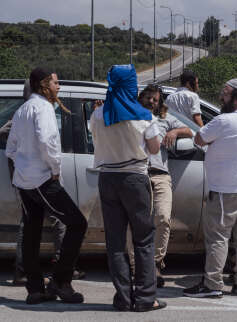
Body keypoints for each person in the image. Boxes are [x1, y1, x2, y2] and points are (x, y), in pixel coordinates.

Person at [5, 67, 88, 304]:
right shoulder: (43, 108)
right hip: (42, 179)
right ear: (44, 85)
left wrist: (22, 166)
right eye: (56, 82)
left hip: (24, 181)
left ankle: (35, 289)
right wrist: (54, 170)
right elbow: (46, 140)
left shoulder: (22, 110)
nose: (58, 86)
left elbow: (10, 149)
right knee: (77, 223)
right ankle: (61, 282)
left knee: (32, 231)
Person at [89, 65, 165, 312]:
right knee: (143, 240)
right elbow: (154, 149)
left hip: (107, 179)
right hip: (135, 180)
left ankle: (122, 297)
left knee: (115, 242)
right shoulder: (144, 115)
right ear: (132, 87)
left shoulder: (99, 115)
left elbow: (97, 141)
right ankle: (145, 298)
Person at [183, 79, 237, 298]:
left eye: (226, 93)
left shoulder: (223, 121)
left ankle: (212, 285)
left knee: (218, 237)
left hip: (226, 190)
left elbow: (199, 139)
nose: (222, 96)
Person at [128, 84, 193, 288]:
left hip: (161, 175)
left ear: (160, 103)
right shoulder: (132, 117)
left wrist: (175, 133)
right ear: (141, 98)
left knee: (163, 218)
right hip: (137, 173)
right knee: (136, 222)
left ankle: (156, 263)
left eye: (155, 100)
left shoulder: (165, 119)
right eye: (148, 98)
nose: (151, 102)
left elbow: (190, 131)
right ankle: (135, 266)